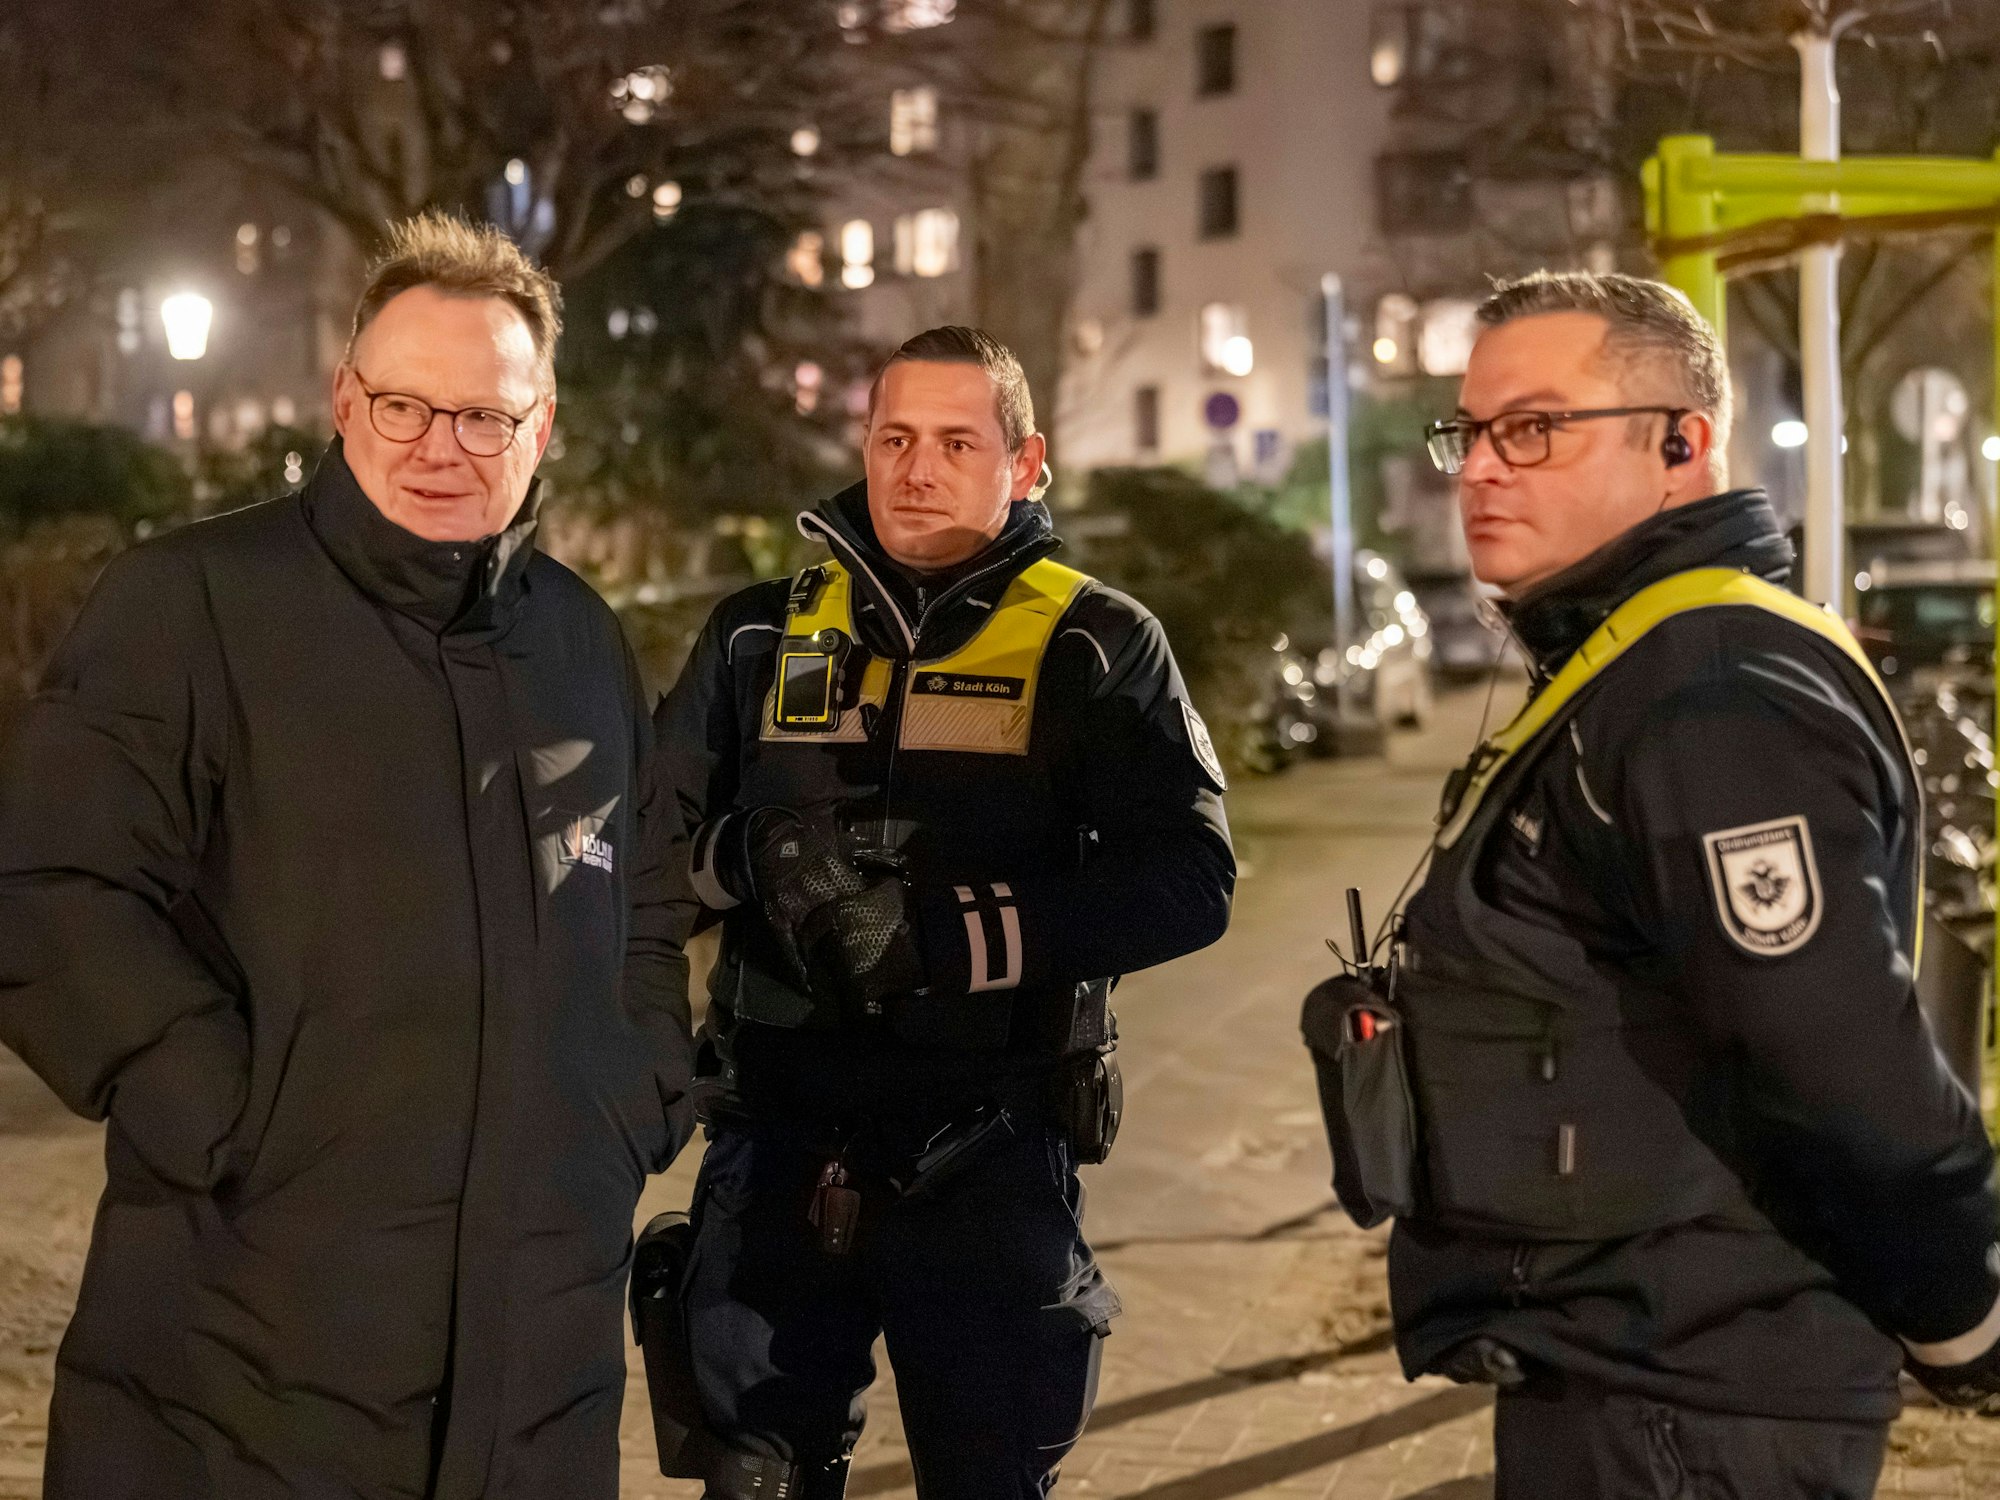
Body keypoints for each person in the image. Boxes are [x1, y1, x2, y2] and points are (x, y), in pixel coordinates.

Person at [0, 212, 695, 1499]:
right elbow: (52, 888)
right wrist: (221, 1109)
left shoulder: (578, 641)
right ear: (343, 400)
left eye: (484, 415)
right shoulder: (195, 602)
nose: (441, 446)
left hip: (540, 1340)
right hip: (247, 1332)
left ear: (540, 426)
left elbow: (640, 884)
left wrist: (633, 1083)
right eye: (403, 406)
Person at [1376, 269, 2000, 1498]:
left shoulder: (1706, 693)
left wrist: (1961, 1318)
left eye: (1534, 428)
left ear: (1682, 443)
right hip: (1643, 1369)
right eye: (1470, 430)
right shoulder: (1634, 662)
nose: (1481, 468)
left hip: (1696, 1397)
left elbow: (1833, 1052)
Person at [654, 325, 1234, 1496]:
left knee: (985, 1476)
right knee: (751, 1478)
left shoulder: (1097, 643)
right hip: (774, 1139)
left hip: (987, 1144)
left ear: (1025, 464)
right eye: (894, 438)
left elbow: (1190, 879)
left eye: (955, 441)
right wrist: (757, 861)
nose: (915, 468)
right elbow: (643, 855)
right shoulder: (757, 635)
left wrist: (945, 936)